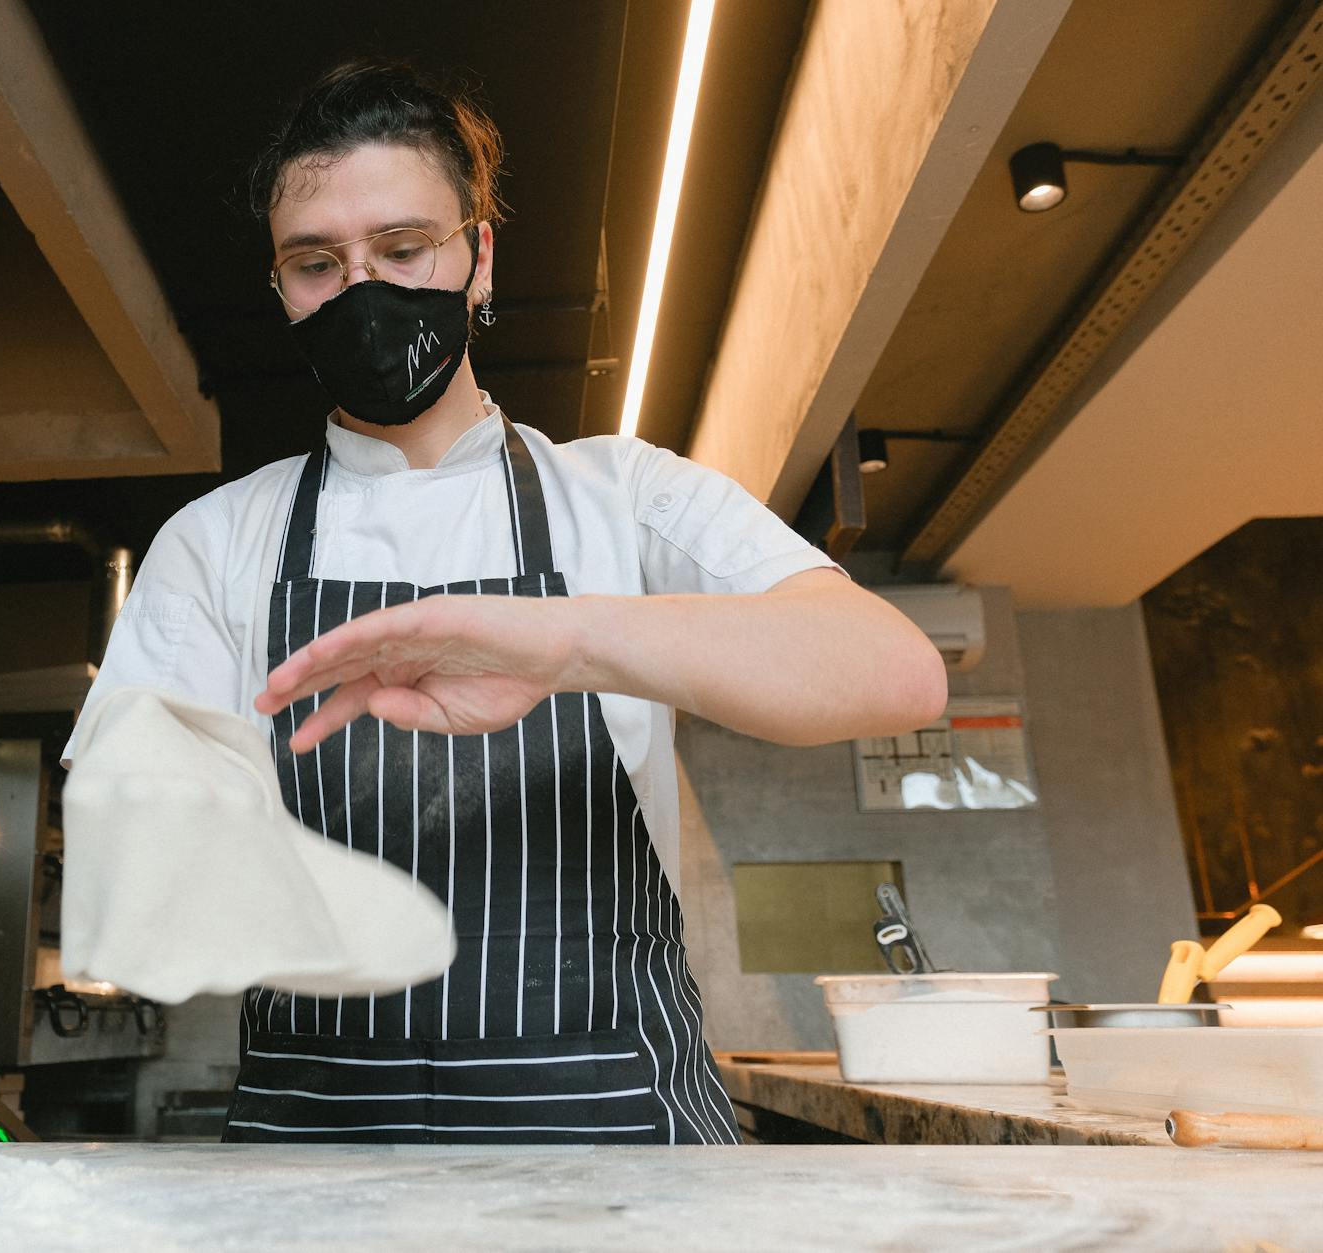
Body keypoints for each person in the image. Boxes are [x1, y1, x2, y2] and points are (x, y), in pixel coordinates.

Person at [63, 60, 947, 1145]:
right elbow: (139, 832)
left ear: (478, 256)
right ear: (281, 289)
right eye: (315, 263)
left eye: (402, 249)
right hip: (314, 1159)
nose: (360, 291)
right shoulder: (216, 541)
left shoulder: (622, 497)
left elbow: (892, 668)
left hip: (617, 1138)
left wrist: (566, 636)